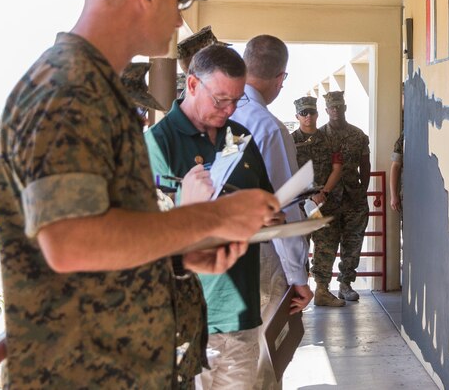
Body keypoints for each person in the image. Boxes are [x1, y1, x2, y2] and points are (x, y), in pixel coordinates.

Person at [0, 0, 279, 388]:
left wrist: (178, 257)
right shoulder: (69, 90)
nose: (179, 20)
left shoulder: (95, 90)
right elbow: (71, 243)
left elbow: (107, 237)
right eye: (178, 0)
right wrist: (211, 219)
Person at [146, 44, 277, 389]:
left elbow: (261, 196)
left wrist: (267, 215)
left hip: (241, 312)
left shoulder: (239, 137)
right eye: (220, 99)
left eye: (237, 100)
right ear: (192, 85)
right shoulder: (158, 145)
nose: (230, 109)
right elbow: (149, 238)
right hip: (187, 320)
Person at [231, 34, 313, 385]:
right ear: (281, 78)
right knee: (262, 360)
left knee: (225, 359)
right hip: (259, 258)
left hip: (210, 256)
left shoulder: (213, 111)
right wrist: (298, 278)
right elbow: (286, 209)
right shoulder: (269, 128)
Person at [290, 95, 346, 308]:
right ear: (297, 116)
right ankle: (297, 293)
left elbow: (337, 168)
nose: (308, 117)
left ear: (317, 113)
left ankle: (322, 290)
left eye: (311, 112)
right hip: (300, 206)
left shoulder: (330, 139)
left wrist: (324, 192)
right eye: (303, 113)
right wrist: (308, 194)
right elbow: (287, 172)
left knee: (326, 245)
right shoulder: (290, 140)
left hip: (324, 203)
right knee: (298, 248)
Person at [320, 90, 372, 302]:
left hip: (353, 197)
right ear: (326, 110)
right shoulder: (319, 137)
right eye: (332, 108)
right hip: (329, 200)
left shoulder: (358, 135)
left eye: (339, 107)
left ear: (345, 108)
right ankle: (322, 287)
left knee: (353, 242)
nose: (335, 111)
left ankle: (345, 284)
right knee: (326, 243)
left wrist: (363, 189)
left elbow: (365, 164)